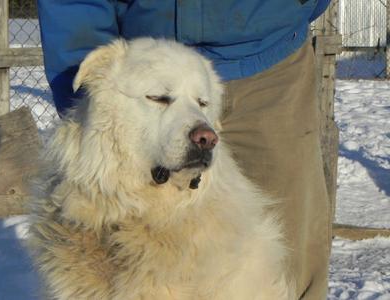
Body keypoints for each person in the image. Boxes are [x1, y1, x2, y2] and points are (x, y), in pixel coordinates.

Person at [37, 1, 333, 299]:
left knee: (292, 257)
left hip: (271, 58)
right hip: (143, 56)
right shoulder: (119, 79)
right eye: (161, 99)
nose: (207, 134)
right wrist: (91, 89)